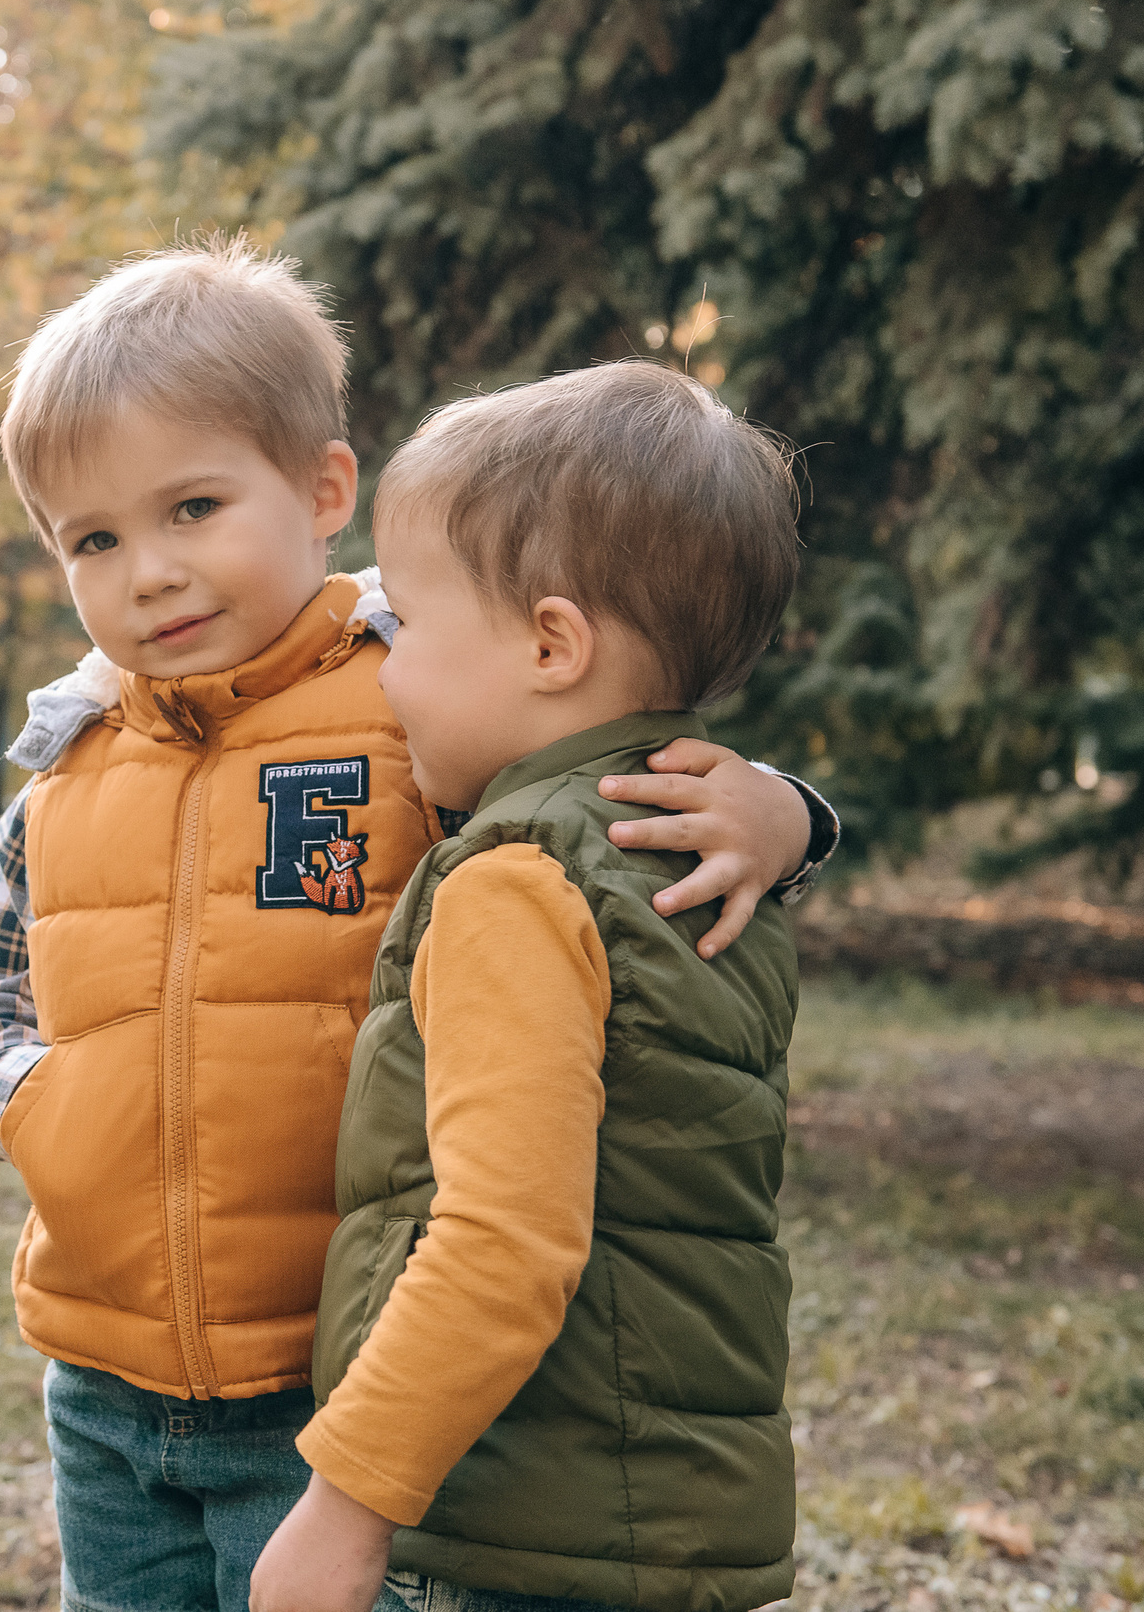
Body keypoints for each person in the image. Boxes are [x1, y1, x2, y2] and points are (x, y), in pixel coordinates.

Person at [0, 241, 834, 1612]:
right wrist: (47, 1100)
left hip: (327, 1374)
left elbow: (609, 764)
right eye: (93, 538)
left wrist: (789, 810)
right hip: (103, 1374)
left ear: (323, 490)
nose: (150, 572)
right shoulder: (65, 771)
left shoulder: (411, 692)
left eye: (192, 505)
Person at [249, 360, 809, 1612]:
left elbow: (505, 1247)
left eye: (410, 625)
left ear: (550, 644)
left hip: (524, 1527)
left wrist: (345, 1509)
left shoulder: (517, 884)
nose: (383, 671)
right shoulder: (708, 852)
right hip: (667, 1515)